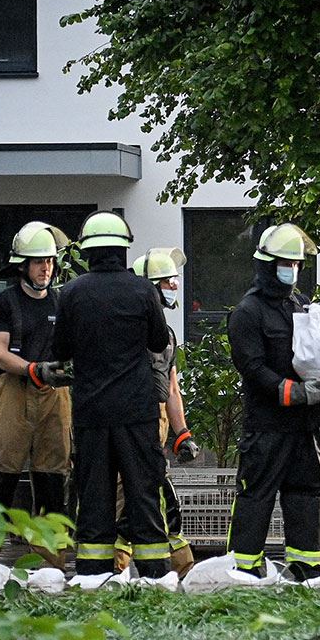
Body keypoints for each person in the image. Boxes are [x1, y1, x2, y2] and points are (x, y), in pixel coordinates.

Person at [53, 211, 172, 579]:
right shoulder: (143, 290)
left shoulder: (71, 292)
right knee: (143, 493)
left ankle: (93, 573)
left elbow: (61, 349)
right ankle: (154, 572)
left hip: (91, 412)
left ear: (88, 252)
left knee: (94, 497)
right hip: (137, 410)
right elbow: (157, 341)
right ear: (123, 250)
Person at [0, 221, 73, 566]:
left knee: (53, 478)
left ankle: (51, 564)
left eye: (50, 262)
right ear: (21, 265)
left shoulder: (62, 300)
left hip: (56, 395)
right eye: (38, 262)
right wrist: (31, 369)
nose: (46, 268)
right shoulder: (3, 303)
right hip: (14, 391)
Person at [228, 224, 320, 579]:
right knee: (255, 498)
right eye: (287, 263)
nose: (293, 270)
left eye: (298, 264)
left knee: (307, 497)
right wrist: (294, 392)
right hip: (267, 426)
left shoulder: (304, 307)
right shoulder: (247, 312)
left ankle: (307, 573)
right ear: (268, 265)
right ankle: (244, 574)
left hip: (307, 426)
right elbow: (253, 369)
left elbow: (317, 355)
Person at [114, 247, 200, 577]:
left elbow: (172, 389)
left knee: (160, 497)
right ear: (150, 288)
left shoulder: (166, 336)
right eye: (167, 282)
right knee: (129, 501)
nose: (174, 288)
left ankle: (180, 570)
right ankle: (115, 570)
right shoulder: (130, 334)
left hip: (157, 424)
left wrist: (182, 434)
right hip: (133, 424)